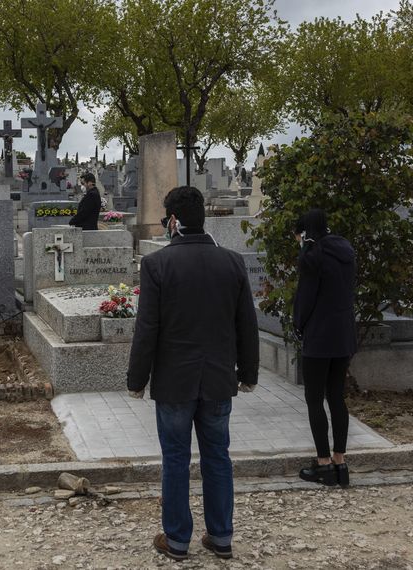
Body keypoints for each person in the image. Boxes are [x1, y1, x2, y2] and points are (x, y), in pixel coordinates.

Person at [126, 186, 259, 561]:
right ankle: (221, 536)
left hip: (174, 381)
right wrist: (248, 372)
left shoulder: (157, 265)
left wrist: (136, 380)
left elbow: (147, 327)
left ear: (172, 221)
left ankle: (178, 539)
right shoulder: (232, 262)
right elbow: (246, 324)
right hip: (218, 378)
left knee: (176, 458)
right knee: (218, 456)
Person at [293, 209, 356, 488]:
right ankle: (341, 462)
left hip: (319, 335)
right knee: (336, 397)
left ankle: (323, 464)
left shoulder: (313, 256)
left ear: (305, 232)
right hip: (343, 334)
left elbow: (305, 298)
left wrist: (298, 325)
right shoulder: (345, 249)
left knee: (315, 399)